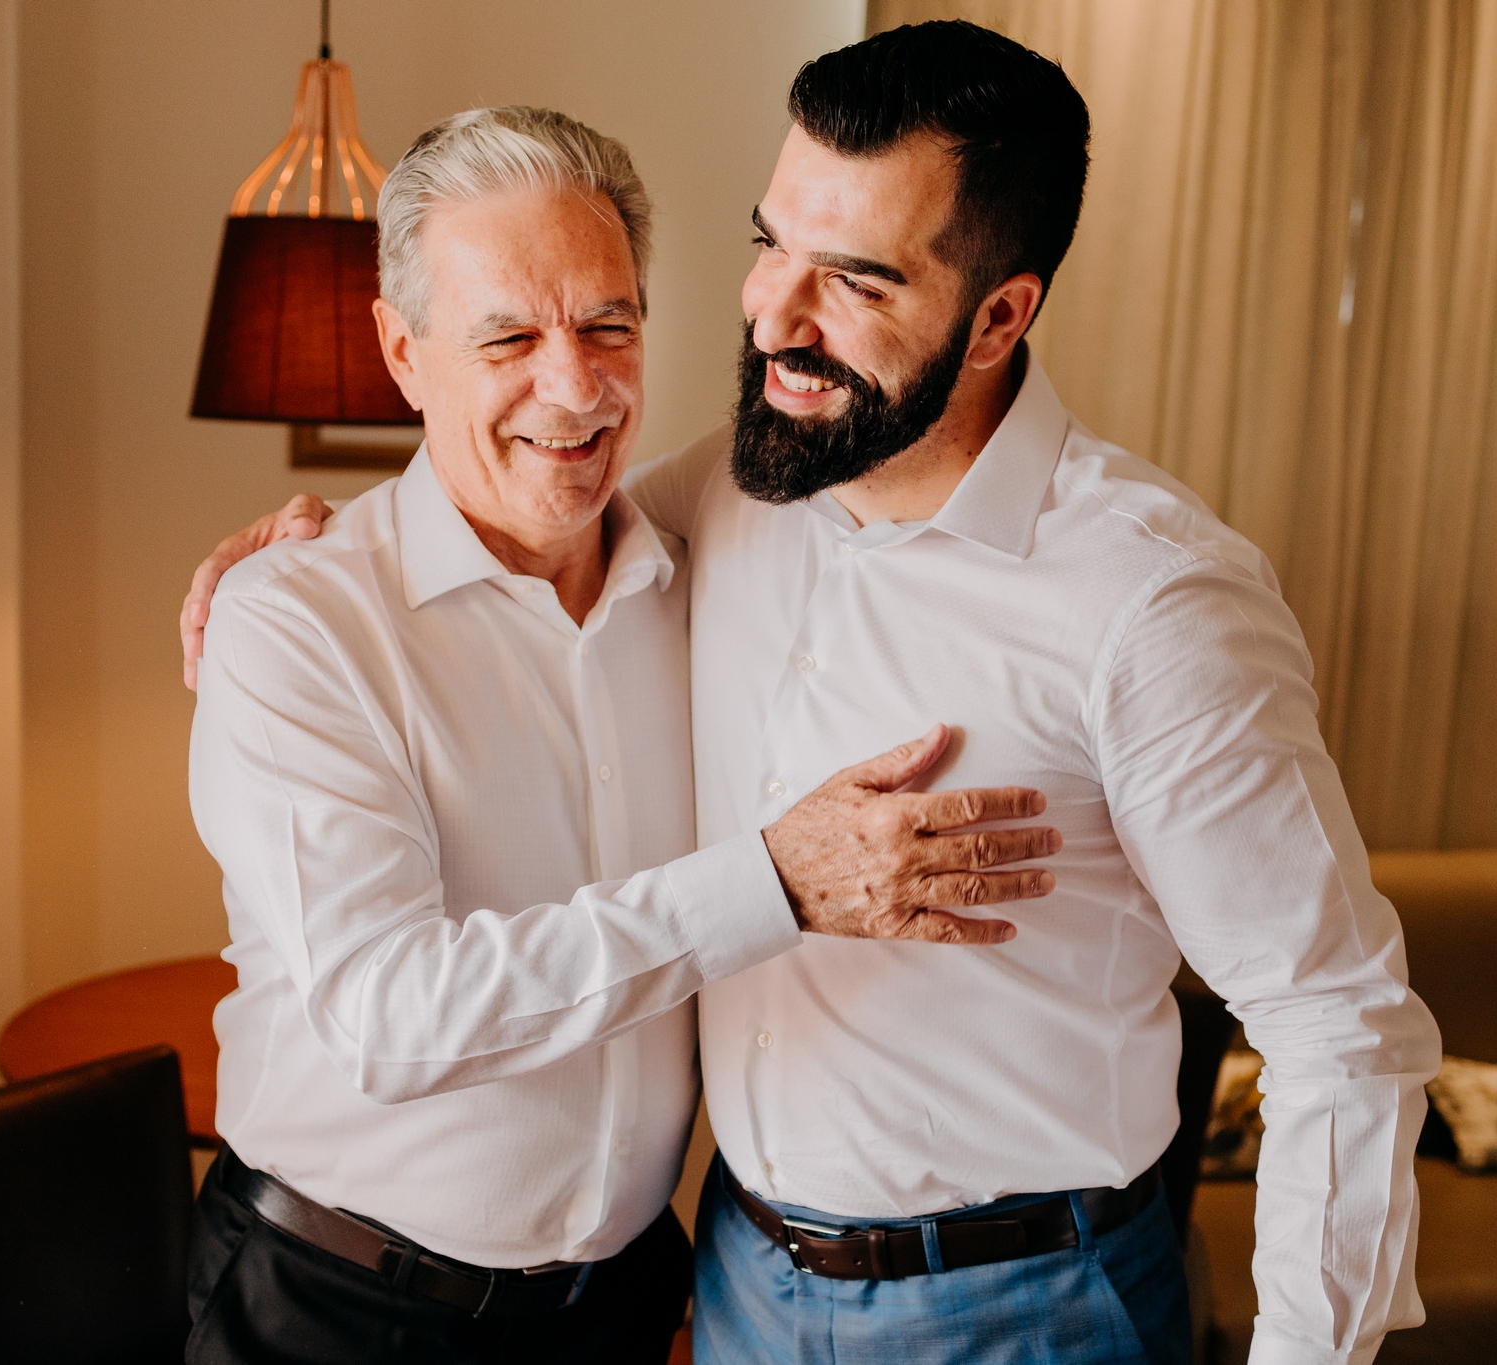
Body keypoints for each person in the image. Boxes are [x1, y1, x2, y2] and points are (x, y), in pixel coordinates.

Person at [187, 24, 1443, 1364]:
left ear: (1001, 314)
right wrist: (285, 569)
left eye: (855, 279)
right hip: (729, 1286)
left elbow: (1339, 1021)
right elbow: (486, 510)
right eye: (771, 241)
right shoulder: (715, 501)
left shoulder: (1152, 599)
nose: (776, 315)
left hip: (1025, 1303)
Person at [183, 104, 1063, 1365]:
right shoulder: (299, 624)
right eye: (507, 337)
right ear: (400, 351)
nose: (576, 384)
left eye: (610, 324)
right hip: (336, 1309)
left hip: (624, 1304)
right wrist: (770, 883)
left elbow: (898, 416)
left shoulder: (710, 554)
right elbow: (393, 1019)